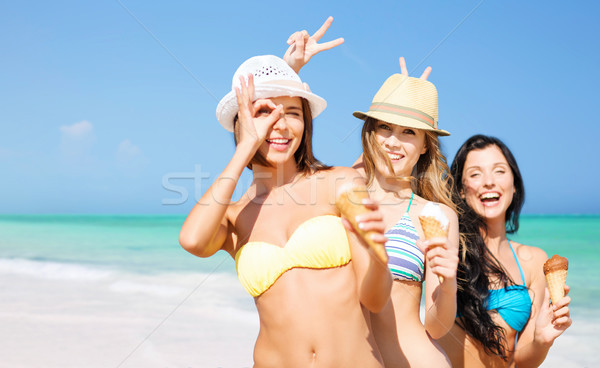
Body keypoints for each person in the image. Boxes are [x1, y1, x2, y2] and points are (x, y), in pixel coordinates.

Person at [179, 54, 392, 367]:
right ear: (241, 124)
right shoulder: (236, 217)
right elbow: (192, 241)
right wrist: (244, 150)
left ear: (306, 123)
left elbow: (374, 300)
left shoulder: (340, 183)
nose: (280, 125)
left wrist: (377, 258)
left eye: (293, 112)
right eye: (264, 113)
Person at [284, 24, 459, 365]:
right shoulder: (340, 190)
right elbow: (280, 161)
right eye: (384, 127)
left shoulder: (436, 216)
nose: (393, 141)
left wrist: (449, 282)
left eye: (409, 132)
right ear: (370, 132)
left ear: (426, 145)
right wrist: (290, 71)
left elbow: (435, 327)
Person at [437, 135, 573, 367]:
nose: (489, 182)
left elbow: (522, 359)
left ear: (514, 184)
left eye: (499, 171)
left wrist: (542, 340)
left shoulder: (534, 261)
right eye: (475, 174)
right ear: (460, 189)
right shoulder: (448, 252)